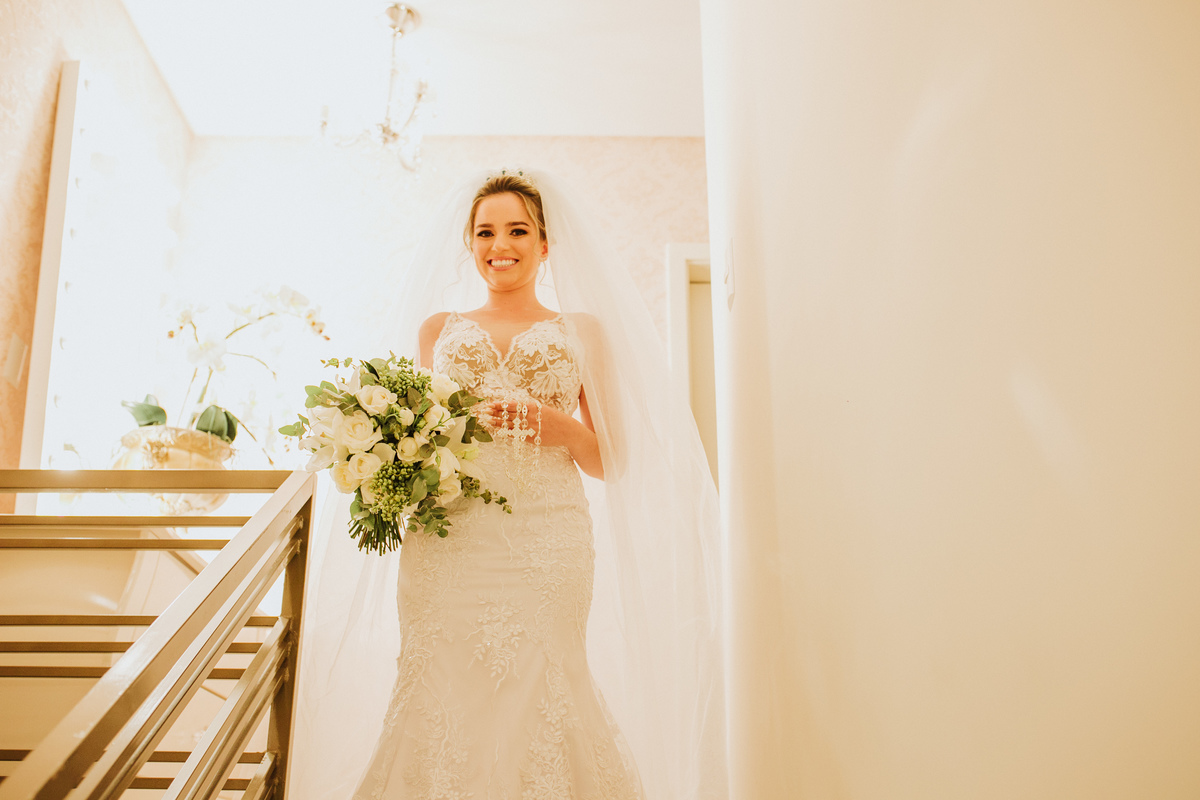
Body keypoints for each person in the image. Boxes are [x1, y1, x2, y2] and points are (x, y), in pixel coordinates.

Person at [291, 170, 725, 800]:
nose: (501, 244)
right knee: (439, 678)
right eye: (485, 232)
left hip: (549, 538)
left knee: (544, 674)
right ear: (469, 244)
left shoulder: (582, 330)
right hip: (449, 535)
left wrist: (560, 428)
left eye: (518, 230)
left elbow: (611, 461)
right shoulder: (437, 330)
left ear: (545, 244)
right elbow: (420, 432)